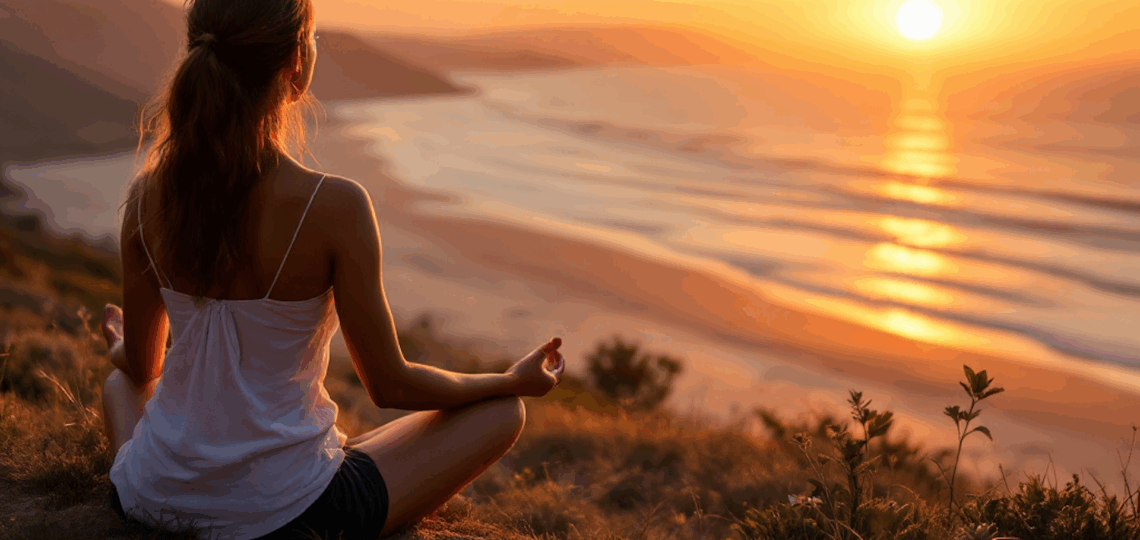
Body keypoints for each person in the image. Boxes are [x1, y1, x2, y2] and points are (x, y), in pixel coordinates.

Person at [98, 1, 566, 538]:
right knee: (503, 413)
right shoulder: (335, 206)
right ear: (296, 61)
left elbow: (139, 364)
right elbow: (391, 385)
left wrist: (117, 342)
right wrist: (510, 380)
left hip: (152, 498)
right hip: (285, 516)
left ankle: (189, 482)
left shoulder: (145, 199)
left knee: (119, 384)